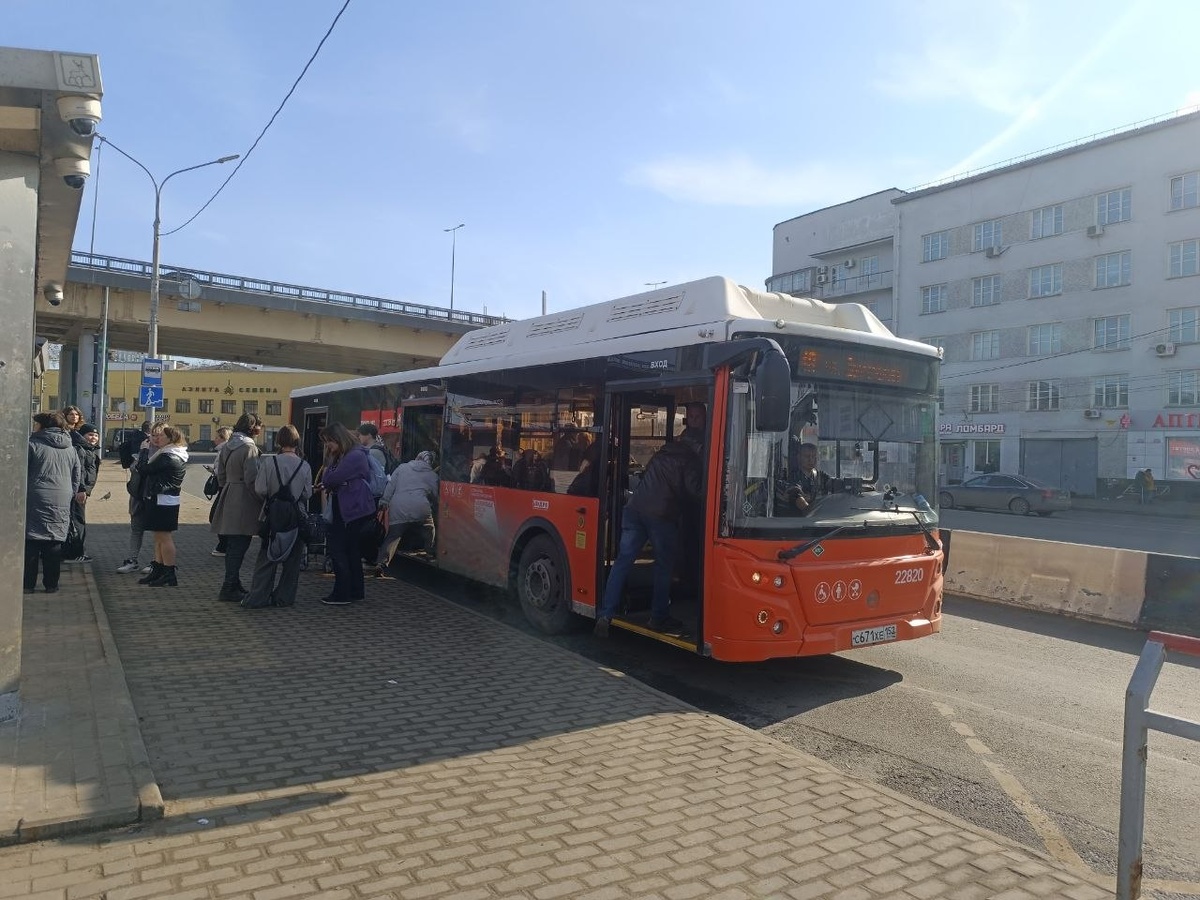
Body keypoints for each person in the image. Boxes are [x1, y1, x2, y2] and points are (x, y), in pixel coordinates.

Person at [594, 428, 703, 637]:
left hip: (635, 509)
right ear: (697, 445)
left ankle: (606, 614)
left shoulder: (662, 452)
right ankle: (658, 617)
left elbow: (645, 476)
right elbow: (695, 490)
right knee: (663, 567)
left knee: (623, 561)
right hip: (661, 516)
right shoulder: (690, 460)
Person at [242, 425, 313, 608]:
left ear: (279, 441)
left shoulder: (270, 462)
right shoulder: (304, 465)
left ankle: (258, 597)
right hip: (295, 516)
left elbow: (260, 489)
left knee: (267, 557)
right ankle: (284, 598)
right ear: (297, 441)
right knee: (293, 560)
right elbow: (307, 493)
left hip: (272, 515)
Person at [316, 422, 375, 605]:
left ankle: (342, 593)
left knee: (339, 549)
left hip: (350, 509)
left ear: (338, 439)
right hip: (353, 507)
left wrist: (330, 465)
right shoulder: (354, 454)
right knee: (351, 550)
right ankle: (355, 591)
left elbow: (330, 478)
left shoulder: (352, 456)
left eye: (329, 441)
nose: (328, 446)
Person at [25, 412, 83, 594]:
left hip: (35, 497)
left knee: (32, 541)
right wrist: (70, 494)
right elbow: (76, 475)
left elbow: (22, 472)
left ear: (42, 426)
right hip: (62, 498)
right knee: (54, 541)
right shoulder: (70, 448)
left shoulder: (32, 444)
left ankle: (28, 585)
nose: (34, 427)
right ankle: (51, 585)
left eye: (36, 424)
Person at [209, 414, 263, 602]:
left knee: (232, 544)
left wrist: (227, 488)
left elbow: (221, 474)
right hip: (244, 498)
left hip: (229, 493)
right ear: (252, 427)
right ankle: (229, 585)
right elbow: (252, 478)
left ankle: (233, 583)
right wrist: (261, 498)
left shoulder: (228, 445)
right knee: (240, 544)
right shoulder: (249, 447)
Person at [135, 423, 189, 587]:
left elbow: (143, 469)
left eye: (162, 436)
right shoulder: (168, 453)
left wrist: (144, 451)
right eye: (155, 436)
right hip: (161, 498)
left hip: (163, 499)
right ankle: (158, 569)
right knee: (158, 537)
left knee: (164, 538)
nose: (158, 439)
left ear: (171, 439)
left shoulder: (169, 456)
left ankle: (169, 573)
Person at [375, 450, 439, 576]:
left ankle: (381, 563)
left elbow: (391, 486)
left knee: (393, 536)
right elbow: (436, 495)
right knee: (429, 528)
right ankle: (429, 552)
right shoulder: (432, 475)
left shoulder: (402, 468)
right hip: (420, 507)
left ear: (417, 458)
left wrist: (384, 501)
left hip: (399, 507)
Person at [117, 423, 153, 575]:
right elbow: (134, 468)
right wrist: (142, 454)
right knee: (136, 529)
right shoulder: (140, 447)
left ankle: (157, 561)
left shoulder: (164, 453)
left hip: (154, 496)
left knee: (157, 531)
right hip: (138, 494)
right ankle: (132, 560)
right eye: (153, 435)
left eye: (159, 435)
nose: (154, 438)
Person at [63, 422, 101, 562]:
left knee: (78, 521)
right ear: (82, 436)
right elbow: (79, 471)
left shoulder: (89, 449)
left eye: (96, 435)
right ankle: (75, 553)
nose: (93, 438)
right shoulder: (80, 449)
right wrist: (81, 489)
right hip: (79, 492)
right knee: (77, 521)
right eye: (90, 435)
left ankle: (75, 551)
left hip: (83, 491)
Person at [778, 442, 834, 515]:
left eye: (814, 456)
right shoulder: (791, 477)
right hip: (796, 520)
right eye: (807, 456)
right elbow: (796, 496)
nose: (811, 460)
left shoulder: (822, 476)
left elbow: (836, 485)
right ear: (799, 457)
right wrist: (814, 513)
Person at [210, 425, 233, 556]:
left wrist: (215, 472)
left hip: (224, 487)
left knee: (215, 516)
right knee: (219, 516)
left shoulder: (224, 451)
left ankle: (224, 545)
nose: (214, 439)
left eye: (217, 437)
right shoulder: (224, 450)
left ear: (223, 438)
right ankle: (224, 544)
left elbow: (222, 471)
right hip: (225, 486)